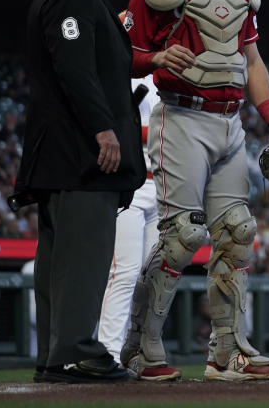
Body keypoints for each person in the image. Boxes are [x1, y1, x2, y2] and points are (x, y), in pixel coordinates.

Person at [120, 0, 269, 382]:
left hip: (229, 123)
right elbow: (122, 54)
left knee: (238, 232)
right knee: (182, 236)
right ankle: (140, 345)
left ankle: (227, 350)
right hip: (180, 116)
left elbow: (253, 61)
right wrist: (157, 55)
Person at [13, 0, 145, 383]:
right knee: (85, 258)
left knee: (57, 262)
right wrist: (103, 129)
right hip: (79, 155)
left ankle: (56, 355)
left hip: (58, 156)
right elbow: (75, 69)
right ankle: (76, 352)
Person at [96, 70, 162, 364]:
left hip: (163, 187)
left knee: (153, 277)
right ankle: (107, 352)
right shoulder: (121, 73)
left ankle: (138, 352)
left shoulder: (169, 76)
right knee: (125, 271)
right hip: (129, 184)